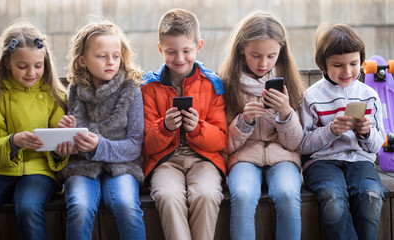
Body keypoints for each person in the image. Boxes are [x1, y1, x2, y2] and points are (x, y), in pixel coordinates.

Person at [0, 20, 69, 240]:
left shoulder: (56, 97)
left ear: (46, 62)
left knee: (29, 209)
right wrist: (13, 142)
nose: (31, 72)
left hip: (40, 170)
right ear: (6, 63)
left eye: (38, 65)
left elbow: (60, 150)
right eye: (22, 66)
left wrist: (60, 148)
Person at [140, 8, 228, 240]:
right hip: (164, 161)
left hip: (204, 158)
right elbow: (147, 144)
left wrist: (198, 128)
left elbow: (221, 139)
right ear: (160, 49)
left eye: (186, 51)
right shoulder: (148, 88)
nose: (179, 59)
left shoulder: (212, 85)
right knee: (168, 196)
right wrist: (165, 127)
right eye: (171, 52)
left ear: (199, 46)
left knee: (207, 194)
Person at [219, 10, 305, 240]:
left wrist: (286, 114)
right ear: (241, 49)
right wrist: (244, 122)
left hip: (283, 157)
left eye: (271, 56)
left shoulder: (289, 82)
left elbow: (296, 143)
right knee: (244, 195)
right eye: (255, 55)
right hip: (244, 157)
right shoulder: (227, 85)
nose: (263, 63)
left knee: (288, 194)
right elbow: (225, 145)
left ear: (281, 52)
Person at [56, 20, 146, 240]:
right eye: (102, 56)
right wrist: (64, 138)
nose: (111, 62)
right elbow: (73, 141)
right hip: (83, 166)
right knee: (79, 207)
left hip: (123, 166)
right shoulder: (75, 91)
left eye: (116, 56)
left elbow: (135, 145)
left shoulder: (131, 91)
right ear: (82, 60)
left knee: (126, 204)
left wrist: (100, 146)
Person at [300, 23, 386, 240]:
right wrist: (329, 131)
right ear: (323, 63)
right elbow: (302, 145)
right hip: (321, 163)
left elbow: (377, 144)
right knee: (333, 200)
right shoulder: (311, 96)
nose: (347, 72)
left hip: (361, 160)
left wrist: (366, 133)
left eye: (354, 63)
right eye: (337, 65)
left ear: (361, 61)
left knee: (371, 197)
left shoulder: (369, 95)